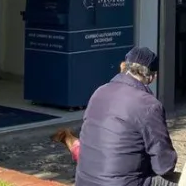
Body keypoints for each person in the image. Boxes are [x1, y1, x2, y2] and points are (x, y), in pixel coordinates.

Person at [76, 47, 178, 186]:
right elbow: (164, 165)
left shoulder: (99, 91)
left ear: (123, 67)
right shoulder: (149, 105)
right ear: (153, 76)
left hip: (84, 181)